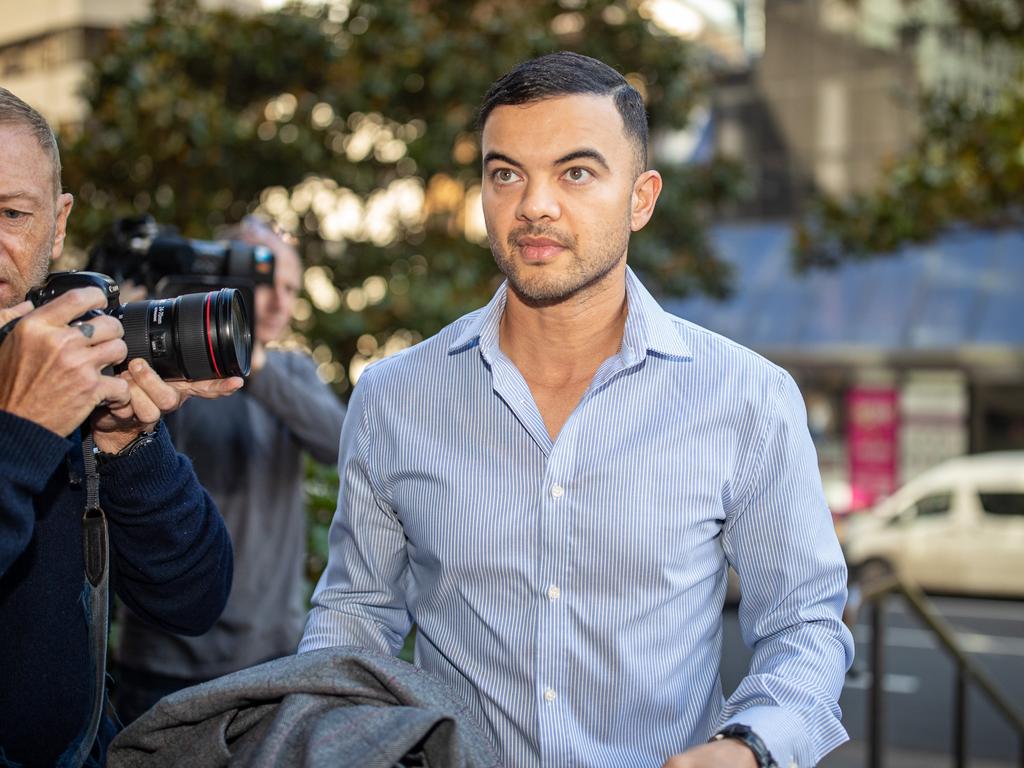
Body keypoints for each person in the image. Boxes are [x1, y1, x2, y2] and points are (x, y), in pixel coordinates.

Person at [299, 52, 855, 768]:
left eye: (576, 173)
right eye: (506, 174)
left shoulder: (746, 398)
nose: (534, 204)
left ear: (641, 198)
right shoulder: (394, 398)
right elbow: (354, 620)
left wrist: (750, 747)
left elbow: (804, 625)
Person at [0, 88, 239, 766]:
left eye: (12, 213)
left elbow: (193, 600)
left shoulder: (70, 370)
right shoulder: (40, 399)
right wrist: (22, 426)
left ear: (58, 222)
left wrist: (126, 444)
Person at [112, 219, 346, 722]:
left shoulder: (294, 373)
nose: (281, 302)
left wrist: (252, 365)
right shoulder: (173, 366)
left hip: (266, 657)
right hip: (163, 656)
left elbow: (342, 444)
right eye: (268, 284)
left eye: (291, 288)